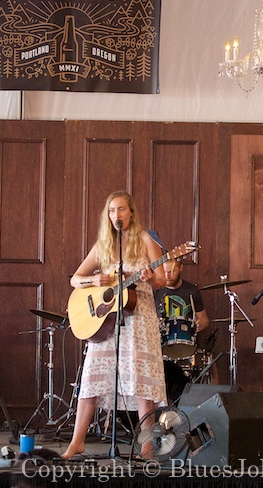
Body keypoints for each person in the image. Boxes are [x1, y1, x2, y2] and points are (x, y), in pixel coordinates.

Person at [62, 191, 167, 459]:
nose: (116, 215)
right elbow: (75, 279)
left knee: (141, 385)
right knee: (92, 379)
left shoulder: (145, 240)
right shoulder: (103, 245)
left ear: (131, 212)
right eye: (111, 210)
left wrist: (150, 276)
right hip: (107, 323)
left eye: (121, 209)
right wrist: (92, 282)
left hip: (139, 320)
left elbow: (162, 280)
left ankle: (147, 448)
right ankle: (76, 443)